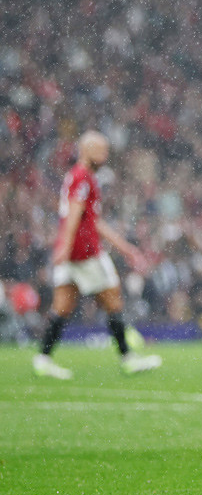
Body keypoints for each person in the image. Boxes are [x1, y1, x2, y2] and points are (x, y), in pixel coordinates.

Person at [33, 131, 162, 379]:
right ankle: (127, 356)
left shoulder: (79, 176)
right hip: (84, 253)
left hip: (73, 252)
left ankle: (43, 359)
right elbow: (74, 214)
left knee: (62, 307)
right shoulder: (82, 177)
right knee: (113, 300)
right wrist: (65, 245)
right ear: (86, 150)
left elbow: (93, 221)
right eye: (101, 150)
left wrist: (126, 248)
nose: (105, 155)